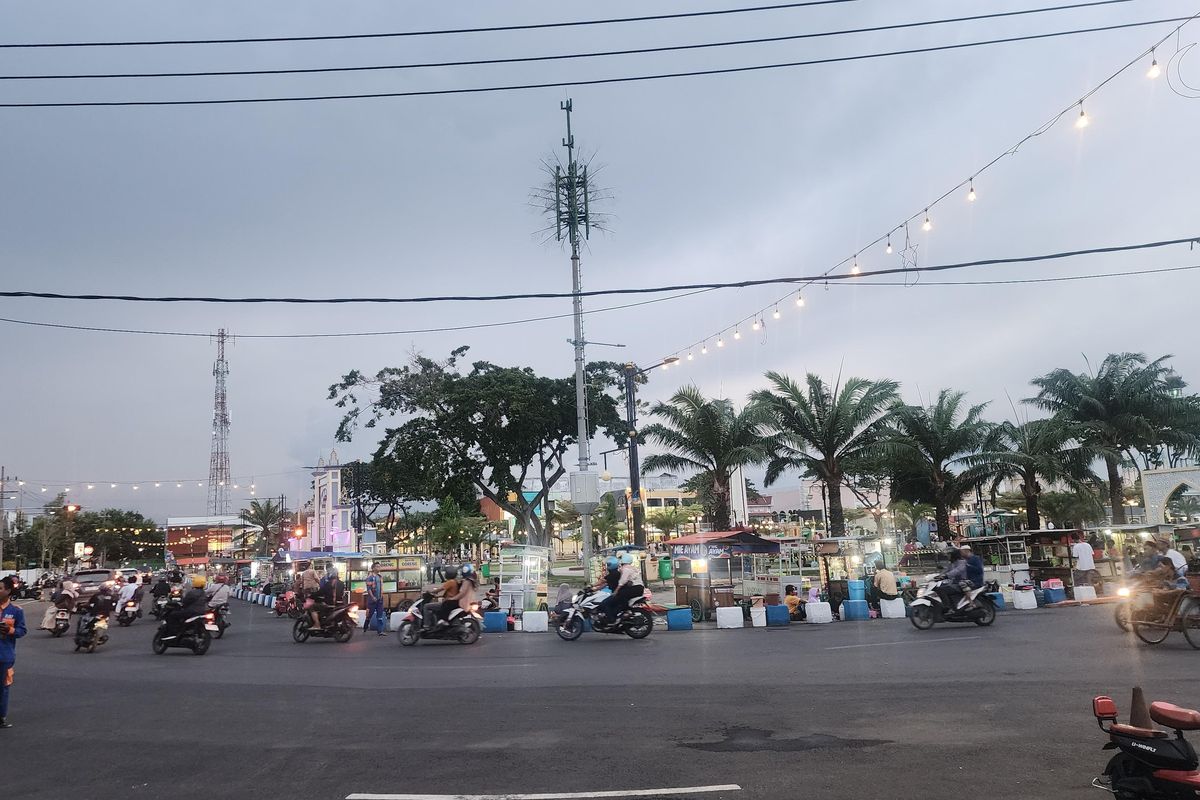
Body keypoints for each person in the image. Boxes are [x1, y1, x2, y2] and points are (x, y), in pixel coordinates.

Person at [0, 576, 28, 728]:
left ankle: (1, 717)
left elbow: (22, 631)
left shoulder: (16, 611)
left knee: (3, 688)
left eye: (0, 589)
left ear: (8, 591)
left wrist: (10, 630)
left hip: (5, 656)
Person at [598, 553, 644, 623]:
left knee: (620, 594)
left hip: (636, 588)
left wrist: (616, 591)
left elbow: (622, 581)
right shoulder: (630, 568)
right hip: (638, 588)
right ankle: (622, 611)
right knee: (620, 595)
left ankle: (625, 610)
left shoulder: (626, 569)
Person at [437, 563, 478, 627]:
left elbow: (462, 593)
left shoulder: (467, 582)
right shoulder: (471, 581)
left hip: (463, 602)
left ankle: (444, 620)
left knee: (446, 604)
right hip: (468, 602)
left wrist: (453, 598)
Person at [424, 567, 459, 631]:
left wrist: (431, 592)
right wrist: (438, 596)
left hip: (447, 602)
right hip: (450, 601)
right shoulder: (455, 581)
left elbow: (441, 589)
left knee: (426, 606)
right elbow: (447, 593)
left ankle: (426, 625)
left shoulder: (450, 582)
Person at [364, 563, 386, 636]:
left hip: (380, 599)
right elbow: (369, 589)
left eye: (379, 566)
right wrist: (372, 597)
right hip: (372, 600)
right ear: (373, 568)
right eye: (377, 566)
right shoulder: (370, 577)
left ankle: (380, 631)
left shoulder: (380, 577)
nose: (379, 568)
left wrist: (381, 596)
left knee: (380, 616)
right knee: (369, 615)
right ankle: (365, 626)